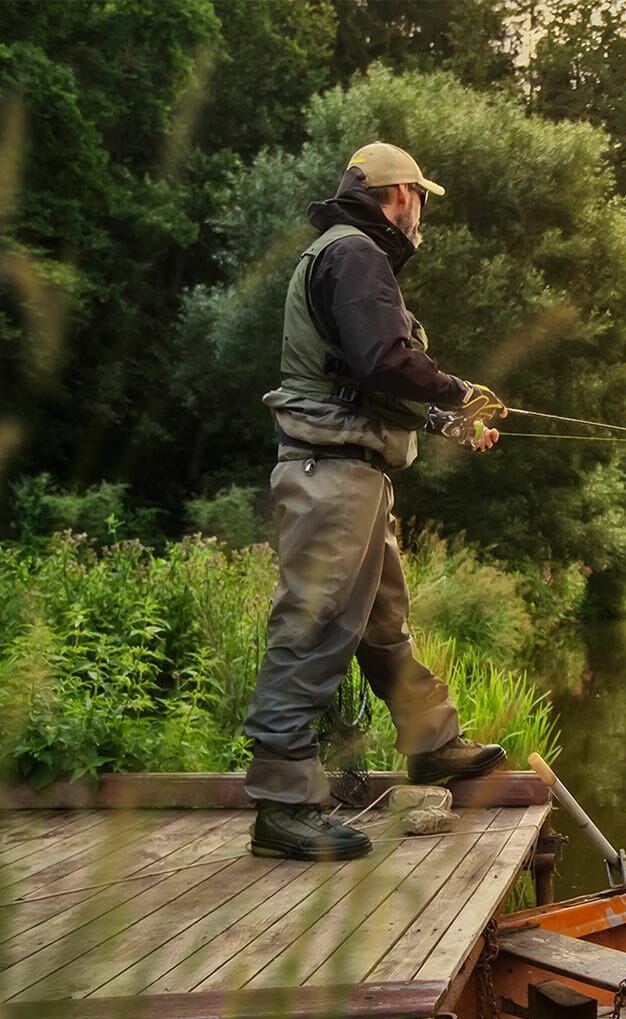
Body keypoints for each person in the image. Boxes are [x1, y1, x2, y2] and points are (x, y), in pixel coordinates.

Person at [244, 141, 511, 861]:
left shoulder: (343, 254)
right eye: (420, 198)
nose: (421, 213)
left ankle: (431, 744)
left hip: (350, 474)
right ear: (400, 196)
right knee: (312, 625)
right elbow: (385, 360)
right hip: (331, 475)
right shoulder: (357, 253)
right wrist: (458, 389)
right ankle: (282, 802)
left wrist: (447, 420)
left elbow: (363, 380)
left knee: (381, 628)